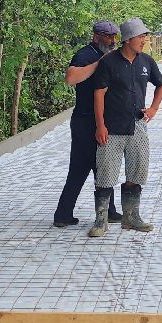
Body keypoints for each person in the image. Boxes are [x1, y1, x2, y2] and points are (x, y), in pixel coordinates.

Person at [90, 18, 162, 237]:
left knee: (137, 171)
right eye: (140, 36)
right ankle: (100, 221)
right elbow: (99, 94)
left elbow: (161, 84)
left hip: (137, 126)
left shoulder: (147, 62)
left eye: (144, 36)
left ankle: (131, 218)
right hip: (111, 128)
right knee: (105, 175)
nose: (144, 40)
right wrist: (100, 125)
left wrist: (153, 109)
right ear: (127, 39)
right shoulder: (108, 62)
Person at [53, 20, 122, 227]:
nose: (112, 41)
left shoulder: (107, 54)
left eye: (114, 37)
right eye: (108, 36)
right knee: (89, 167)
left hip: (97, 120)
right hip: (85, 121)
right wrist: (99, 63)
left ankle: (65, 214)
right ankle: (70, 214)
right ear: (96, 36)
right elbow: (70, 78)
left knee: (91, 167)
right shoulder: (85, 54)